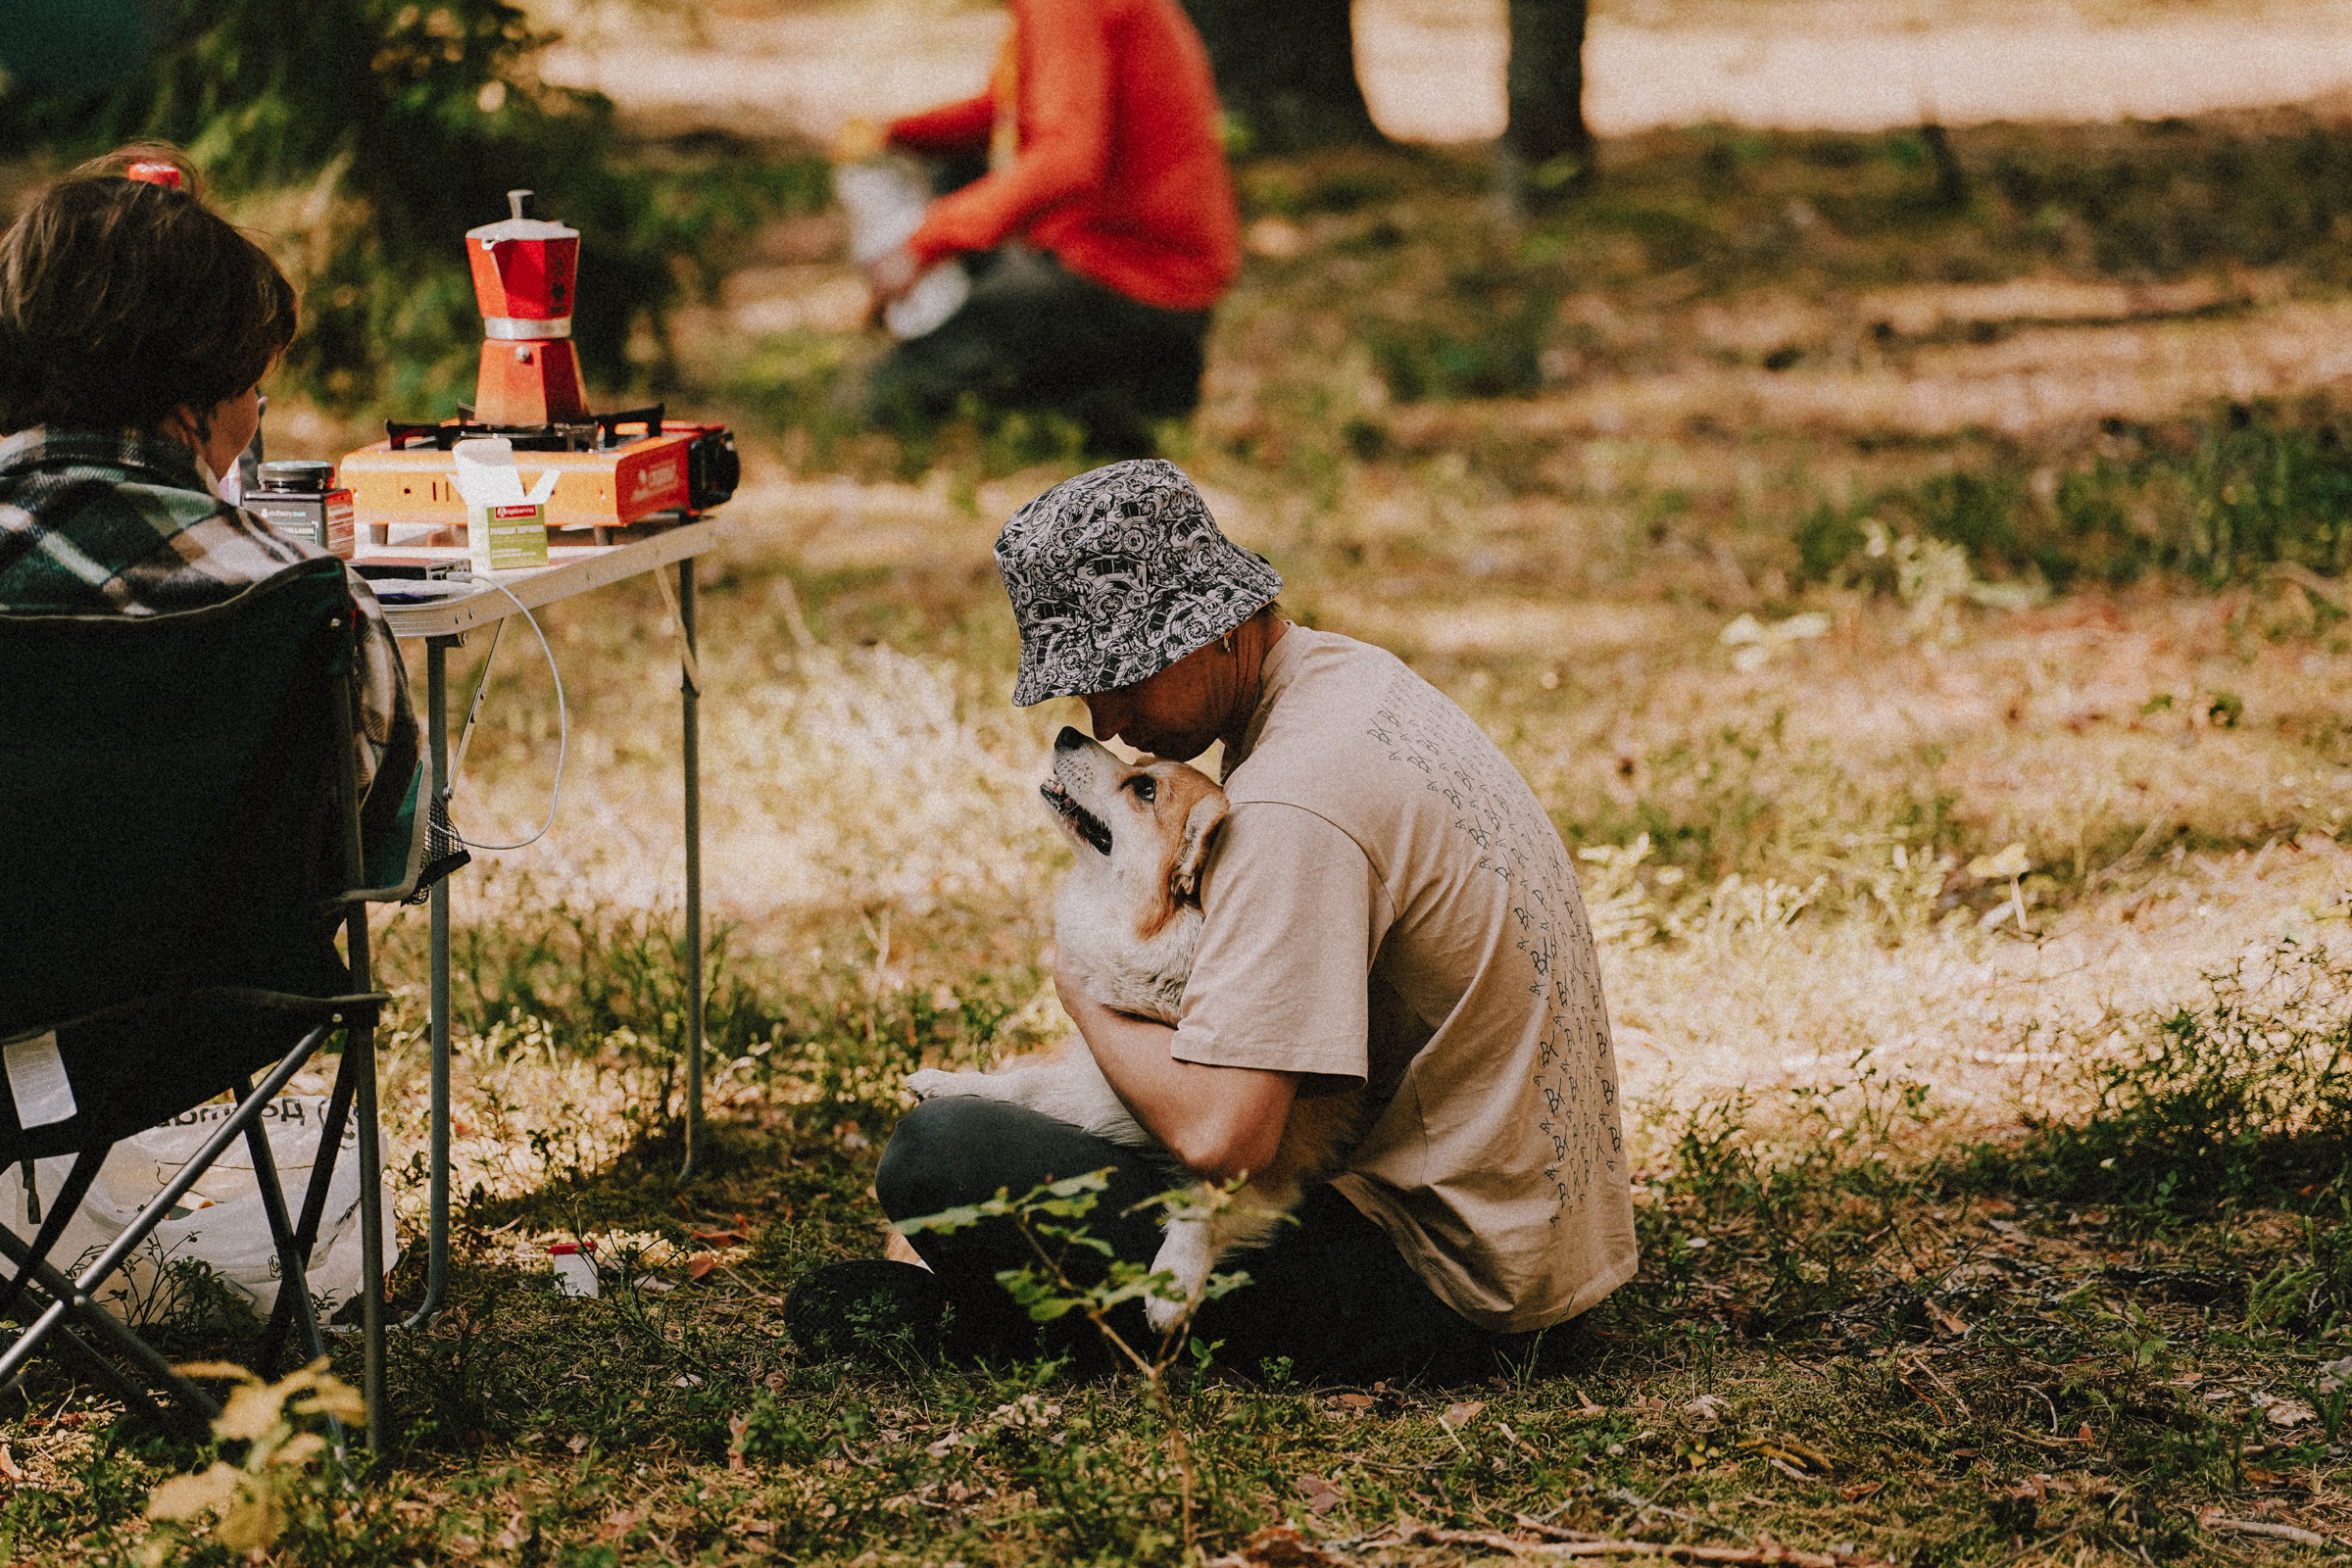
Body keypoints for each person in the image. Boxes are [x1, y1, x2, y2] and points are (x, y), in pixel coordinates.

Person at [789, 460, 1639, 1384]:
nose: (1104, 716)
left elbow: (1225, 1139)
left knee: (941, 1154)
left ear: (1212, 626)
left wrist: (1083, 993)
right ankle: (998, 1310)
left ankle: (995, 1331)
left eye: (1118, 674)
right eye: (1084, 688)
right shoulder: (1348, 681)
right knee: (1006, 1128)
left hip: (1449, 1290)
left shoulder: (1292, 810)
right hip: (1534, 1244)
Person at [0, 144, 419, 852]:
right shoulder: (312, 604)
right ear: (201, 395)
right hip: (235, 965)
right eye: (254, 382)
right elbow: (374, 846)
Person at [838, 0, 1242, 458]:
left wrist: (919, 247)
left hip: (1124, 286)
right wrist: (898, 134)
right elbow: (1016, 110)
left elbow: (1066, 159)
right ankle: (1110, 403)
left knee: (875, 401)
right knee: (960, 178)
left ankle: (1105, 400)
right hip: (1162, 295)